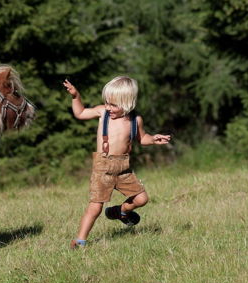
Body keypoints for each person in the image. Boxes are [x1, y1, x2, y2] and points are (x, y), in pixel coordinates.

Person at [63, 76, 171, 248]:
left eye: (113, 105)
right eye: (107, 102)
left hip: (124, 169)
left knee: (142, 199)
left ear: (128, 104)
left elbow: (142, 138)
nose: (108, 107)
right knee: (95, 208)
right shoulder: (102, 113)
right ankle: (80, 240)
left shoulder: (136, 120)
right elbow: (80, 113)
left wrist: (153, 139)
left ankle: (119, 211)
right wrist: (76, 96)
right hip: (103, 168)